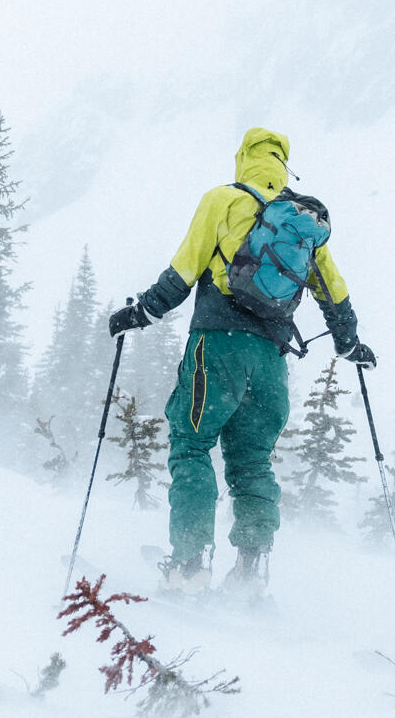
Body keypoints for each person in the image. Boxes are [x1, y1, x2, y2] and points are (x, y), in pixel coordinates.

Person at [107, 127, 372, 596]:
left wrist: (142, 313)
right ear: (283, 167)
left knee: (192, 445)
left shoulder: (224, 199)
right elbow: (333, 289)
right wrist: (349, 344)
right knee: (252, 462)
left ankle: (189, 566)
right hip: (271, 358)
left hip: (218, 346)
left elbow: (184, 269)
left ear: (243, 157)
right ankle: (250, 572)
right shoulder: (302, 223)